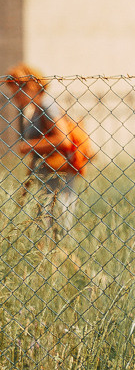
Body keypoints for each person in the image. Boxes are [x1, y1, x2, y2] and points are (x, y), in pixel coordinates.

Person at [3, 64, 78, 242]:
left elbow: (63, 139)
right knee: (47, 231)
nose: (15, 99)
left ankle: (65, 265)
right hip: (47, 177)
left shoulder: (46, 105)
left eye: (16, 93)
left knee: (58, 231)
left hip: (57, 177)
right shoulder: (37, 108)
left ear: (29, 86)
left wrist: (28, 146)